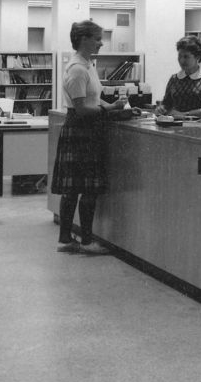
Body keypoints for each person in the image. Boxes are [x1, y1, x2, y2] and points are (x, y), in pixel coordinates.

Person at [50, 19, 126, 255]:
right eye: (97, 39)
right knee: (84, 189)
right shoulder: (77, 69)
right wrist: (111, 110)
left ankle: (69, 238)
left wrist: (112, 104)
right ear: (84, 40)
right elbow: (82, 108)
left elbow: (93, 98)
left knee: (76, 188)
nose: (101, 43)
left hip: (85, 129)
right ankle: (84, 241)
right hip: (82, 129)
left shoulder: (87, 65)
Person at [155, 34, 201, 119]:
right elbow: (166, 104)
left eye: (186, 57)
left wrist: (184, 115)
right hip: (175, 126)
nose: (182, 60)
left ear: (197, 57)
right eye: (179, 56)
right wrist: (161, 108)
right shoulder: (174, 79)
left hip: (200, 127)